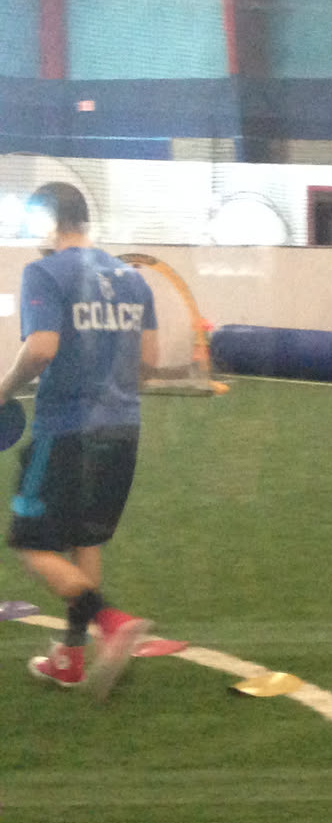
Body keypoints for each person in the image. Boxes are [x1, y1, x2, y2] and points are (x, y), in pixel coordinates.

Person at [0, 182, 158, 695]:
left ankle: (109, 620)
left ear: (49, 221)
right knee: (84, 539)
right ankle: (69, 658)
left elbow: (41, 348)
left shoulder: (44, 272)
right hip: (124, 430)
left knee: (30, 542)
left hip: (67, 430)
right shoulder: (133, 279)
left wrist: (3, 389)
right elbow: (149, 363)